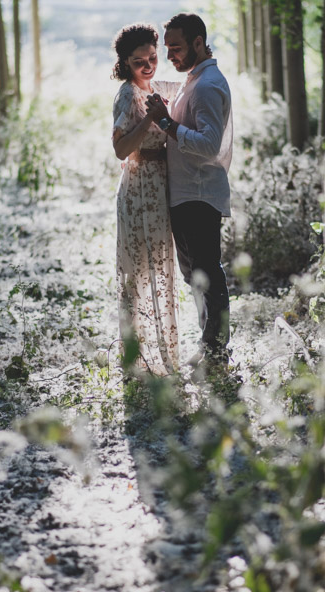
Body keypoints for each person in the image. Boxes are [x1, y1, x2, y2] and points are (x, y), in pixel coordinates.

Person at [145, 13, 233, 366]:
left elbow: (210, 145)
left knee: (207, 272)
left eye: (176, 48)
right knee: (194, 274)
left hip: (199, 191)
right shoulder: (193, 78)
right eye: (167, 49)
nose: (171, 57)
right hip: (184, 192)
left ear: (199, 42)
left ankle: (216, 350)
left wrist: (166, 123)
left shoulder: (207, 85)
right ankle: (210, 343)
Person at [111, 23, 181, 376]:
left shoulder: (157, 88)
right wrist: (152, 119)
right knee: (137, 271)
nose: (149, 66)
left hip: (160, 187)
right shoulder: (127, 94)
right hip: (139, 188)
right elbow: (120, 148)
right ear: (126, 63)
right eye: (140, 62)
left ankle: (163, 352)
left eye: (153, 58)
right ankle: (137, 359)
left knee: (160, 268)